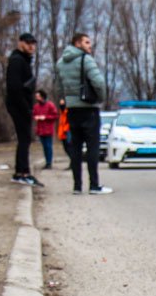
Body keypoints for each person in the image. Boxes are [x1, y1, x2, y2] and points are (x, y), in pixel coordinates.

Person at [53, 32, 111, 195]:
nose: (89, 46)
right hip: (88, 109)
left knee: (76, 148)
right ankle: (94, 185)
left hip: (72, 110)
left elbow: (58, 87)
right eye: (86, 42)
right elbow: (98, 82)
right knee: (92, 148)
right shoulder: (86, 60)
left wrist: (66, 100)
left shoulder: (60, 63)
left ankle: (77, 186)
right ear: (77, 43)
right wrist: (100, 98)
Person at [5, 32, 43, 186]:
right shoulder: (17, 60)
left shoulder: (24, 60)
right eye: (28, 43)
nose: (31, 46)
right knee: (24, 139)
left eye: (33, 44)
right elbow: (14, 88)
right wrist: (26, 108)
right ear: (20, 43)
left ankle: (21, 172)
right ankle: (23, 173)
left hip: (22, 105)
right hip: (18, 105)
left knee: (25, 139)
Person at [32, 89, 59, 170]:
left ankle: (49, 162)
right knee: (44, 146)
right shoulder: (36, 106)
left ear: (42, 96)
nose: (37, 98)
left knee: (48, 146)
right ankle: (47, 161)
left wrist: (45, 117)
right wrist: (36, 117)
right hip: (40, 130)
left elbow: (55, 116)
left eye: (38, 96)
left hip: (48, 129)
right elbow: (33, 114)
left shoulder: (50, 105)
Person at [56, 98, 72, 169]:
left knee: (69, 148)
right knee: (66, 148)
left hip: (68, 132)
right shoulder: (61, 112)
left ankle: (73, 163)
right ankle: (73, 162)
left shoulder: (68, 111)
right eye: (60, 103)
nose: (61, 105)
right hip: (63, 132)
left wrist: (66, 130)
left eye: (63, 103)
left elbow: (69, 122)